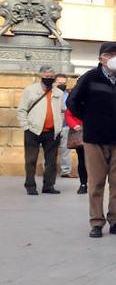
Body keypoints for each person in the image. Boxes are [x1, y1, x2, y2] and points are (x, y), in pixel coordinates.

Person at [67, 42, 116, 237]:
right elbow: (72, 102)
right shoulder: (89, 78)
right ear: (101, 58)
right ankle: (97, 222)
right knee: (96, 183)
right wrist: (90, 119)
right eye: (111, 54)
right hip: (95, 139)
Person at [17, 66, 65, 195]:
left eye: (51, 77)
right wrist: (26, 126)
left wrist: (59, 127)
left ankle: (48, 186)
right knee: (31, 160)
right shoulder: (30, 90)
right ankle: (30, 186)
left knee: (51, 161)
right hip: (33, 130)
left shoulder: (59, 93)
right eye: (46, 76)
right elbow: (21, 110)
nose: (49, 79)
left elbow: (62, 111)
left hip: (52, 132)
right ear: (41, 76)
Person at [64, 97, 88, 195]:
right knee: (82, 160)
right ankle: (83, 184)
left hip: (94, 132)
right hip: (79, 134)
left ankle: (94, 183)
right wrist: (74, 125)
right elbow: (68, 114)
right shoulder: (75, 101)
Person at [54, 72, 71, 177]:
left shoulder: (68, 95)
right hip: (52, 126)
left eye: (64, 83)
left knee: (65, 150)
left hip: (65, 125)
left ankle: (66, 171)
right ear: (54, 83)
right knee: (50, 150)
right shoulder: (49, 94)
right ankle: (49, 171)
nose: (62, 85)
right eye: (59, 83)